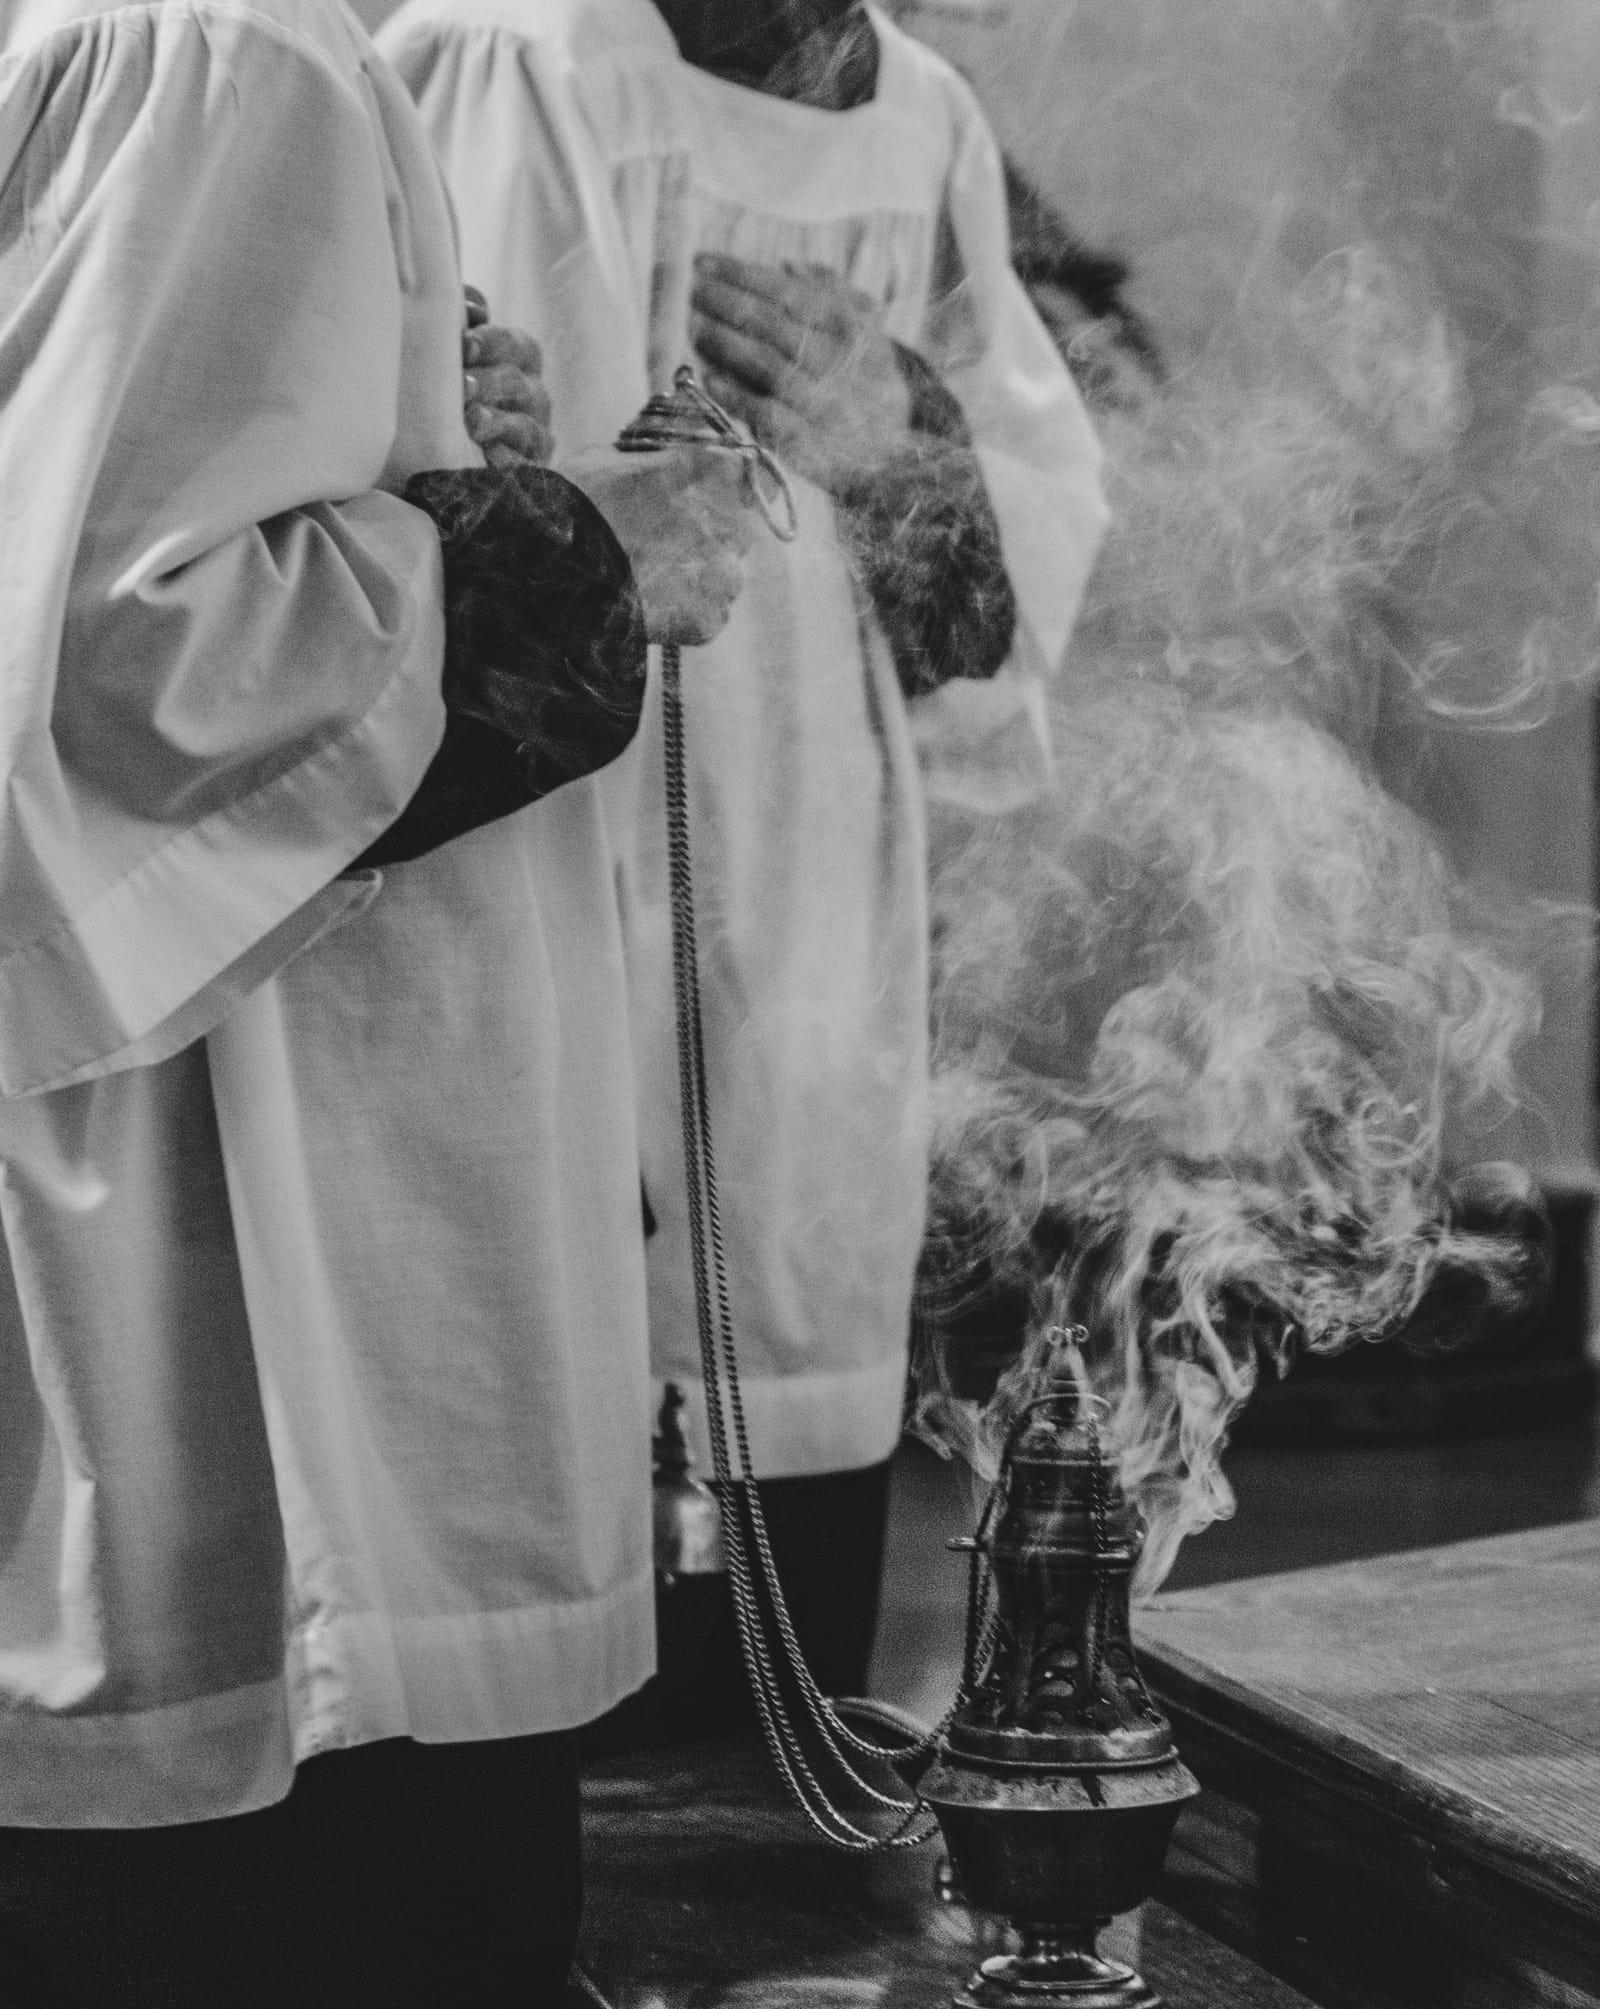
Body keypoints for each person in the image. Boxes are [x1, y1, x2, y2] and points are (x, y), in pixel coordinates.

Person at [0, 0, 754, 1997]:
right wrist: (592, 549)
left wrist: (433, 448)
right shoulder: (222, 48)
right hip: (268, 1260)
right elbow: (129, 675)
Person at [377, 0, 1107, 1710]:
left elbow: (989, 617)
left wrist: (902, 436)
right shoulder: (510, 60)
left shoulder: (919, 114)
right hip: (548, 857)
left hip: (816, 880)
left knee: (789, 1512)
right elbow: (409, 533)